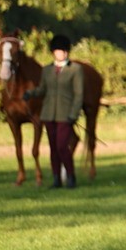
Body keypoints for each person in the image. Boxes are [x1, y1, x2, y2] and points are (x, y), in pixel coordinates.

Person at [23, 34, 84, 189]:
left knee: (62, 146)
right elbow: (42, 89)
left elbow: (79, 94)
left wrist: (74, 113)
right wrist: (31, 93)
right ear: (53, 52)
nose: (60, 53)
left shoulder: (75, 70)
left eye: (62, 51)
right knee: (53, 147)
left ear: (67, 52)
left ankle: (70, 175)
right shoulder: (47, 70)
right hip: (49, 113)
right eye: (57, 51)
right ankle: (56, 178)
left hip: (66, 114)